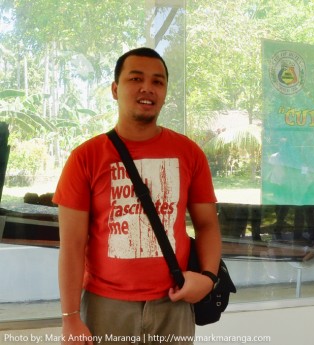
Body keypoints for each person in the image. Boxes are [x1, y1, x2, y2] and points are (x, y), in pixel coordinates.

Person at [53, 47, 222, 345]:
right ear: (116, 89)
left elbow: (207, 224)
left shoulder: (189, 153)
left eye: (158, 82)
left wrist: (207, 278)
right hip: (106, 305)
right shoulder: (86, 158)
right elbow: (72, 244)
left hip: (174, 302)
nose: (147, 88)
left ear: (165, 91)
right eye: (135, 78)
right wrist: (70, 318)